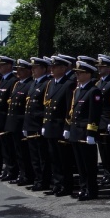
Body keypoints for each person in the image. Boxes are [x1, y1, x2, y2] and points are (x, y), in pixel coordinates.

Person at [43, 56, 77, 197]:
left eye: (55, 67)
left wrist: (67, 127)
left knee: (64, 160)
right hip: (51, 126)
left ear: (63, 68)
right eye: (51, 67)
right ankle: (57, 184)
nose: (52, 69)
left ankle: (66, 185)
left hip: (60, 127)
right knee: (54, 159)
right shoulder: (51, 83)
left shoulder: (68, 84)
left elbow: (70, 108)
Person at [69, 60, 103, 201]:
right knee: (80, 165)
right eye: (76, 73)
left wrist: (91, 132)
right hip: (76, 131)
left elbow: (93, 114)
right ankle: (83, 188)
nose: (77, 75)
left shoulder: (93, 90)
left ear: (88, 74)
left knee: (89, 164)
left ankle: (91, 190)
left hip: (85, 132)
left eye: (80, 73)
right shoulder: (78, 90)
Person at [23, 57, 52, 191]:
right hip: (30, 124)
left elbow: (46, 107)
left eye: (35, 68)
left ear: (44, 69)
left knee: (42, 156)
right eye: (32, 68)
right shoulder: (34, 84)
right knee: (34, 156)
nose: (33, 70)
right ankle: (37, 179)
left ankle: (43, 181)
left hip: (39, 124)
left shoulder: (47, 83)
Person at [5, 58, 33, 186]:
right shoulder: (18, 84)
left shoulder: (29, 84)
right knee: (18, 152)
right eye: (18, 70)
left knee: (24, 153)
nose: (19, 72)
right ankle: (22, 174)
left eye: (22, 70)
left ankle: (27, 175)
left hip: (21, 122)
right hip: (14, 123)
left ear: (28, 71)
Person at [0, 56, 19, 181]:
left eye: (2, 65)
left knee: (9, 148)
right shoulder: (1, 80)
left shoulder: (13, 81)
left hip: (6, 118)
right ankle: (7, 169)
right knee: (4, 148)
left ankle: (12, 170)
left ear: (9, 66)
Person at [95, 55, 110, 186]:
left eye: (102, 66)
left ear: (109, 68)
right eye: (99, 66)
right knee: (103, 152)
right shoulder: (99, 83)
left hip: (107, 120)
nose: (99, 68)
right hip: (99, 121)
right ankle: (107, 173)